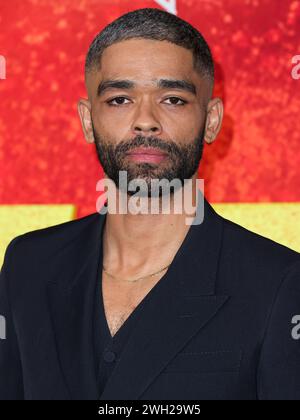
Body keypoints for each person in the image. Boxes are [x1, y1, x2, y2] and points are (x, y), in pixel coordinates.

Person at [0, 8, 299, 400]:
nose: (145, 121)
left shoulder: (278, 283)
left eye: (173, 99)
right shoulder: (29, 264)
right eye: (120, 99)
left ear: (211, 121)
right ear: (88, 120)